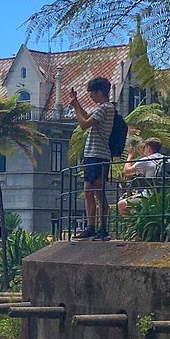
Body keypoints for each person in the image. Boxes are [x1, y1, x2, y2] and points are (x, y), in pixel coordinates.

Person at [67, 76, 119, 240]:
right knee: (93, 191)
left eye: (91, 93)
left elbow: (83, 124)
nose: (90, 96)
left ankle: (97, 227)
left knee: (94, 191)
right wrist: (77, 104)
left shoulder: (104, 108)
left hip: (97, 155)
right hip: (95, 155)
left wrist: (75, 108)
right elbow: (87, 117)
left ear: (98, 92)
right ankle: (93, 227)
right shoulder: (104, 109)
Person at [118, 139, 170, 217]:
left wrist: (130, 156)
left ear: (149, 148)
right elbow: (149, 165)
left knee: (121, 204)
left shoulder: (145, 161)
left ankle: (132, 226)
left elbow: (127, 171)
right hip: (165, 196)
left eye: (145, 147)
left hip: (149, 197)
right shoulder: (166, 159)